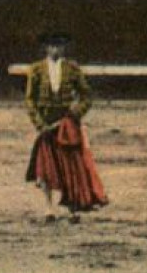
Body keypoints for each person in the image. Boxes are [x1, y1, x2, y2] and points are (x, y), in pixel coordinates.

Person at [24, 31, 108, 221]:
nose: (56, 49)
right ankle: (49, 208)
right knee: (46, 168)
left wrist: (74, 114)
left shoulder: (72, 68)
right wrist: (39, 123)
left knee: (71, 167)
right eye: (52, 46)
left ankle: (73, 208)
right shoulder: (36, 69)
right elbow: (30, 100)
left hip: (66, 123)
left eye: (59, 46)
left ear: (64, 48)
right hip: (46, 123)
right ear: (46, 48)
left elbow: (86, 95)